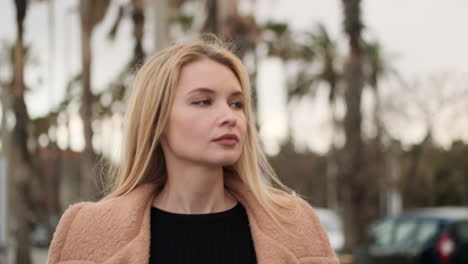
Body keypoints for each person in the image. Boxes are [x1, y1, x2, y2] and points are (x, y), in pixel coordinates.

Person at [47, 37, 338, 264]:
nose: (230, 116)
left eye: (236, 103)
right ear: (156, 120)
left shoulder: (294, 222)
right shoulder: (88, 230)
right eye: (203, 101)